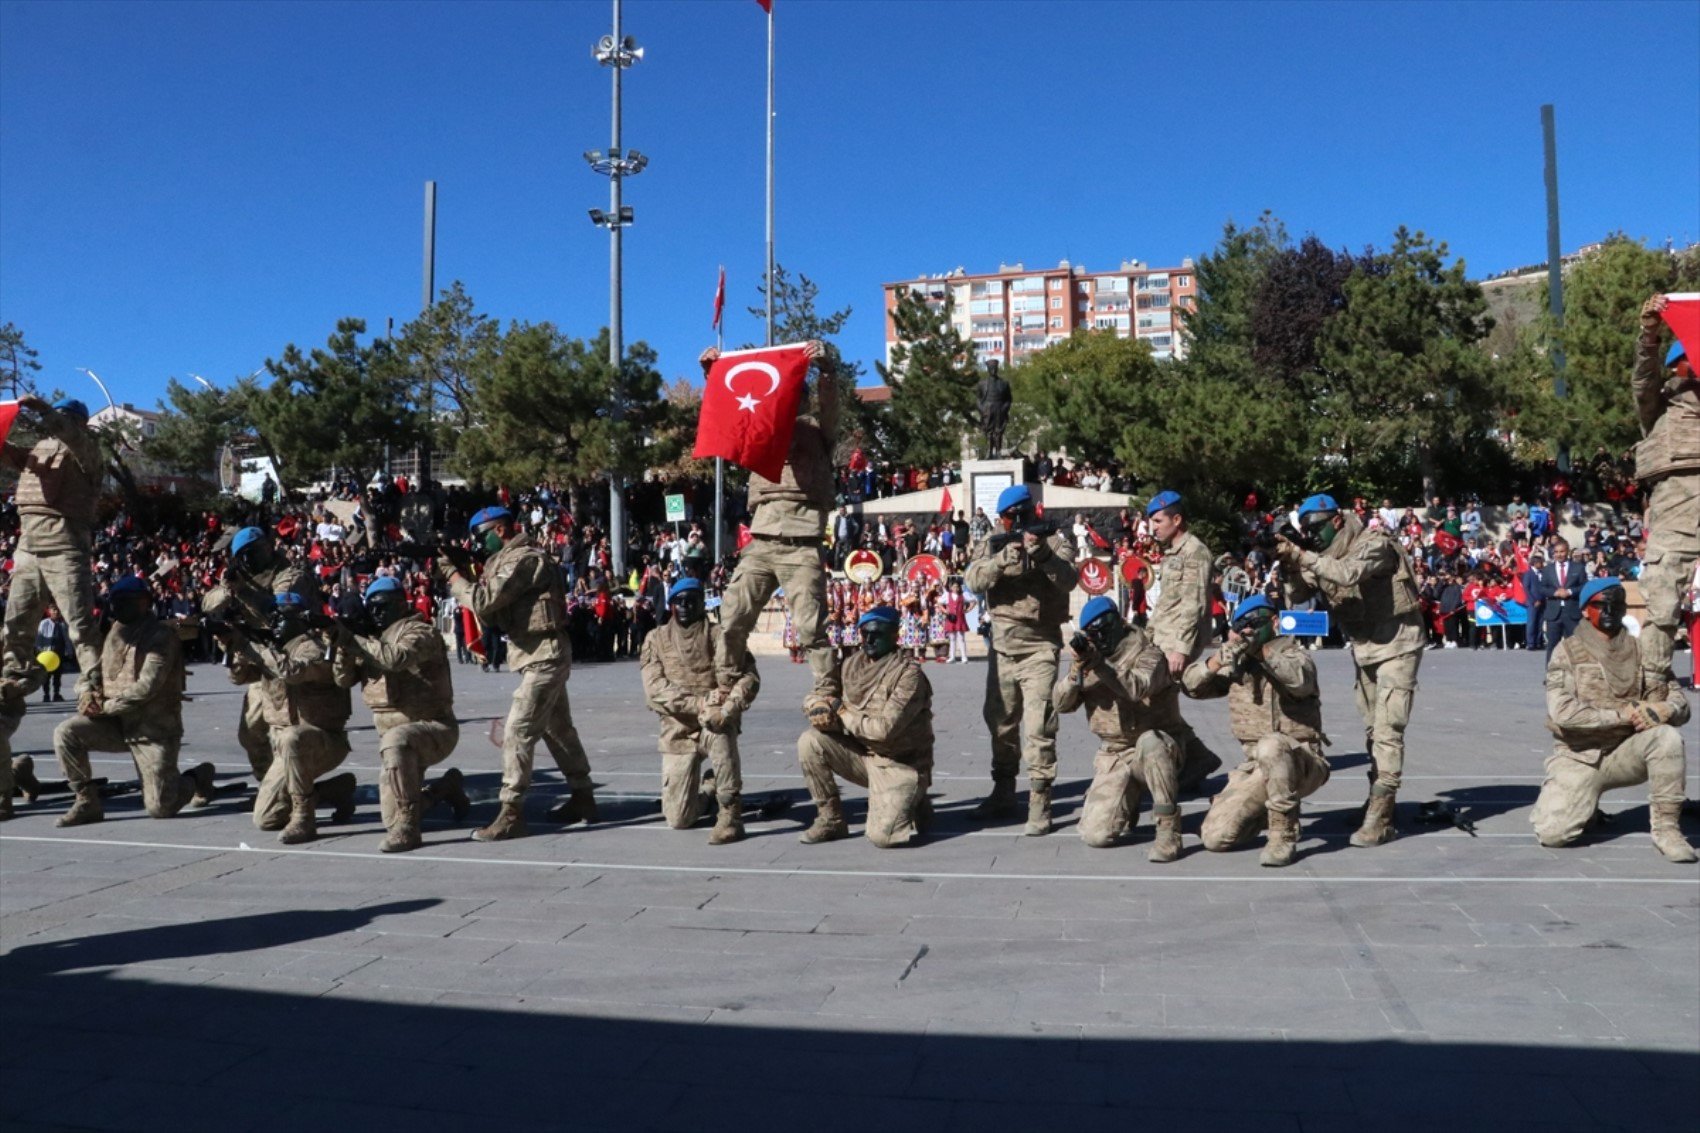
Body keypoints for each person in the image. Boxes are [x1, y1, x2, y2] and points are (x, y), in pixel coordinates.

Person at [1276, 493, 1423, 848]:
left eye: (1316, 528)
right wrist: (1290, 566)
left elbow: (1347, 573)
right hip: (1365, 647)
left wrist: (1303, 555)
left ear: (1336, 521)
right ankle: (1377, 796)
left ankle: (1381, 816)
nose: (1312, 536)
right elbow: (1295, 597)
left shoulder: (1373, 543)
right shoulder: (1320, 554)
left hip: (1398, 642)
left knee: (1389, 728)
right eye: (1306, 531)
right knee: (1373, 727)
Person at [442, 506, 596, 841]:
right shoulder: (506, 561)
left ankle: (511, 812)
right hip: (535, 653)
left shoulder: (523, 559)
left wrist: (453, 576)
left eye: (481, 536)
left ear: (500, 530)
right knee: (558, 731)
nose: (478, 544)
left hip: (545, 655)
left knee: (518, 730)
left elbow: (483, 601)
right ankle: (583, 796)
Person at [702, 341, 839, 704]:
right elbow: (727, 408)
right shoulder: (758, 427)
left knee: (811, 628)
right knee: (731, 618)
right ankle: (727, 682)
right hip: (760, 540)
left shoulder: (817, 431)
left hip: (801, 540)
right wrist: (713, 373)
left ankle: (826, 691)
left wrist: (825, 369)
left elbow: (831, 408)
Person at [1531, 577, 1694, 862]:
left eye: (1617, 605)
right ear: (1584, 610)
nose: (1610, 611)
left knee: (1666, 738)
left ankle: (1667, 829)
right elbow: (1563, 712)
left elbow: (1680, 701)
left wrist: (1667, 710)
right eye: (1600, 605)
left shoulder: (1643, 651)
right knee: (1553, 835)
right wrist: (1624, 714)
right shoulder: (1566, 651)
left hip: (1627, 752)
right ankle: (1586, 807)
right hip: (1580, 756)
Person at [50, 577, 213, 827]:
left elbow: (147, 688)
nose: (117, 608)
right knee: (66, 733)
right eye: (114, 602)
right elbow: (92, 673)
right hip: (116, 725)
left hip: (154, 731)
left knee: (160, 807)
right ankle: (86, 800)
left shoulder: (161, 636)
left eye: (125, 602)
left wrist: (103, 707)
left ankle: (197, 777)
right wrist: (86, 693)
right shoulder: (115, 632)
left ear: (145, 602)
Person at [1184, 596, 1330, 867]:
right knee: (1215, 838)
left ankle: (1283, 833)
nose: (1247, 633)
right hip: (1257, 767)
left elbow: (1299, 680)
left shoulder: (1293, 653)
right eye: (1242, 627)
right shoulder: (1238, 664)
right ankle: (1264, 810)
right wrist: (1217, 660)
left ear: (1274, 623)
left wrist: (1261, 652)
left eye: (1254, 625)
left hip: (1303, 762)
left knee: (1272, 744)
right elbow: (1192, 687)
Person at [964, 484, 1077, 835]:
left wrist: (1042, 555)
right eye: (1013, 517)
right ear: (1003, 518)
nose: (1020, 522)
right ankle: (1003, 791)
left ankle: (1040, 801)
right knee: (1000, 723)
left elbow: (1070, 581)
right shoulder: (991, 542)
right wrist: (1000, 561)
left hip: (1040, 646)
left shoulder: (1055, 542)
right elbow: (972, 581)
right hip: (1001, 648)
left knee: (1039, 727)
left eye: (1025, 515)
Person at [329, 577, 469, 853]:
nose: (378, 614)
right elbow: (342, 680)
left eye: (385, 606)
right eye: (373, 608)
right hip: (393, 743)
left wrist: (355, 640)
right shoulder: (370, 640)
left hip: (433, 728)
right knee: (389, 818)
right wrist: (344, 646)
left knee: (396, 741)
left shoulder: (419, 632)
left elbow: (395, 659)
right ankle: (444, 789)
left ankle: (409, 828)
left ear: (400, 604)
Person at [1057, 597, 1185, 861]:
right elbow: (1061, 705)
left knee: (1151, 743)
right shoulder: (1091, 660)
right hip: (1114, 754)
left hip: (1157, 746)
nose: (1098, 639)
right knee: (1096, 835)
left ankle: (1168, 830)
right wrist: (1075, 674)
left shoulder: (1150, 653)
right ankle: (1129, 800)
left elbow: (1136, 688)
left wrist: (1101, 666)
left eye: (1101, 631)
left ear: (1119, 623)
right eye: (1092, 634)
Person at [796, 606, 933, 848]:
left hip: (899, 764)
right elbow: (820, 692)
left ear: (894, 636)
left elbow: (883, 730)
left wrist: (840, 710)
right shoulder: (850, 665)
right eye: (864, 634)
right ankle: (831, 819)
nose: (869, 640)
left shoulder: (908, 675)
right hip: (864, 756)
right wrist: (817, 706)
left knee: (883, 838)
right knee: (810, 741)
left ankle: (915, 799)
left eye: (877, 634)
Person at [0, 398, 104, 711]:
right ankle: (13, 675)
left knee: (80, 623)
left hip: (65, 543)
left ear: (79, 423)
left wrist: (45, 409)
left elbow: (69, 435)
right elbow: (7, 454)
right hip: (29, 544)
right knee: (16, 622)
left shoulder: (85, 450)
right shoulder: (39, 449)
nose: (55, 423)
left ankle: (94, 685)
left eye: (64, 418)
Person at [640, 577, 760, 844]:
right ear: (671, 605)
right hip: (678, 731)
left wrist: (728, 707)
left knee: (721, 730)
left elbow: (749, 677)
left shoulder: (720, 636)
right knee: (679, 819)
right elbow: (655, 690)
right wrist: (701, 702)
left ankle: (730, 814)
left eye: (692, 601)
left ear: (701, 604)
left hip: (713, 722)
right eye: (679, 601)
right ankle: (708, 789)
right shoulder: (655, 640)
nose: (685, 606)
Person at [230, 592, 357, 843]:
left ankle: (303, 818)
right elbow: (239, 678)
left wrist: (259, 648)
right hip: (284, 744)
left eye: (282, 617)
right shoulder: (276, 649)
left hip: (320, 740)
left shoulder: (316, 648)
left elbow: (291, 671)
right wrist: (237, 652)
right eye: (273, 617)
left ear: (300, 620)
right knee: (266, 818)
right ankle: (334, 790)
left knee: (292, 738)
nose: (274, 623)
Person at [203, 526, 321, 785]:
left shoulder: (290, 574)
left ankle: (295, 788)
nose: (250, 560)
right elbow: (208, 603)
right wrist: (228, 588)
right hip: (261, 657)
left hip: (294, 655)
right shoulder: (245, 577)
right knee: (251, 732)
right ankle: (270, 785)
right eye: (244, 556)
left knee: (287, 732)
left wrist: (243, 591)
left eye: (253, 552)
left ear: (268, 547)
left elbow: (280, 611)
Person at [1632, 297, 1699, 683]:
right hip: (1678, 495)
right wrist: (1650, 333)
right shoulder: (1660, 404)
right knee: (1662, 597)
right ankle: (1652, 681)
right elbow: (1642, 379)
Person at [1143, 490, 1225, 791]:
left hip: (1177, 643)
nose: (1153, 527)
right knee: (1158, 705)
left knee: (1156, 704)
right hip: (1162, 638)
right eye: (1152, 521)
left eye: (1158, 520)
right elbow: (1168, 603)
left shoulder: (1195, 552)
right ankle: (1197, 759)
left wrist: (1181, 648)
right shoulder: (1173, 553)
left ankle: (1188, 762)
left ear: (1177, 520)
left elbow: (1194, 605)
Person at [1537, 539, 1587, 663]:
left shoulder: (1578, 568)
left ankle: (1576, 674)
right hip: (1554, 614)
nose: (1559, 554)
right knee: (1552, 646)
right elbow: (1542, 588)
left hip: (1572, 613)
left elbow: (1584, 586)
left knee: (1575, 646)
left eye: (1562, 551)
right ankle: (1551, 675)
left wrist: (1569, 592)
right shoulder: (1548, 569)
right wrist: (1555, 593)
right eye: (1556, 552)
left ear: (1568, 552)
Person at [33, 606, 69, 703]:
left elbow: (66, 639)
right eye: (54, 610)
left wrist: (69, 650)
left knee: (57, 676)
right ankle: (46, 695)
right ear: (49, 611)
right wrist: (39, 650)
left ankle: (56, 694)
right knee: (46, 676)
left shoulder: (63, 624)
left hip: (59, 654)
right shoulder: (44, 623)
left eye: (58, 610)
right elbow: (39, 638)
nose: (56, 612)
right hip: (46, 654)